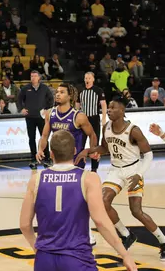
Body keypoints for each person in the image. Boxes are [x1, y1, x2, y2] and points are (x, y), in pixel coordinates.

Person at [20, 131, 137, 271]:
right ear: (75, 151)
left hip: (45, 259)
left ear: (51, 153)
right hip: (77, 258)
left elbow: (25, 225)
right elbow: (100, 221)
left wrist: (38, 249)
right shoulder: (88, 178)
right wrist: (125, 254)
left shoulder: (36, 179)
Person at [77, 97, 165, 259]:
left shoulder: (133, 130)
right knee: (102, 202)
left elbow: (149, 154)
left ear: (122, 111)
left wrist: (139, 173)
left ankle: (163, 241)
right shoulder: (107, 127)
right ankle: (126, 235)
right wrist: (88, 150)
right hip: (116, 170)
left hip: (133, 170)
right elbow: (104, 147)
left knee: (136, 211)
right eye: (108, 108)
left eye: (112, 107)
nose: (109, 110)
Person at [37, 83, 98, 245]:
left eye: (61, 92)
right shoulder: (51, 113)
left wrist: (89, 151)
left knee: (79, 200)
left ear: (70, 96)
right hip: (57, 163)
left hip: (75, 163)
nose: (57, 95)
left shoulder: (79, 116)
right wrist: (39, 149)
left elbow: (92, 135)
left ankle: (87, 231)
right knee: (59, 200)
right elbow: (44, 136)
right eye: (57, 92)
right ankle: (61, 230)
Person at [17, 70, 54, 169]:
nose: (33, 78)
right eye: (31, 76)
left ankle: (47, 158)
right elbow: (19, 99)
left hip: (42, 118)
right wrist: (21, 109)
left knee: (44, 138)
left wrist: (47, 109)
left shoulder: (44, 88)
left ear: (39, 78)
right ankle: (33, 158)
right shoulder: (26, 88)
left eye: (35, 76)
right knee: (31, 139)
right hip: (30, 118)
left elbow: (51, 99)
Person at [77, 72, 107, 172]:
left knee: (94, 144)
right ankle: (79, 166)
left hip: (94, 119)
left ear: (93, 79)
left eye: (89, 78)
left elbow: (103, 104)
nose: (87, 80)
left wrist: (103, 118)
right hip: (83, 119)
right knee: (80, 143)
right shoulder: (80, 90)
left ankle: (94, 168)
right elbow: (77, 105)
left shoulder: (98, 90)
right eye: (86, 78)